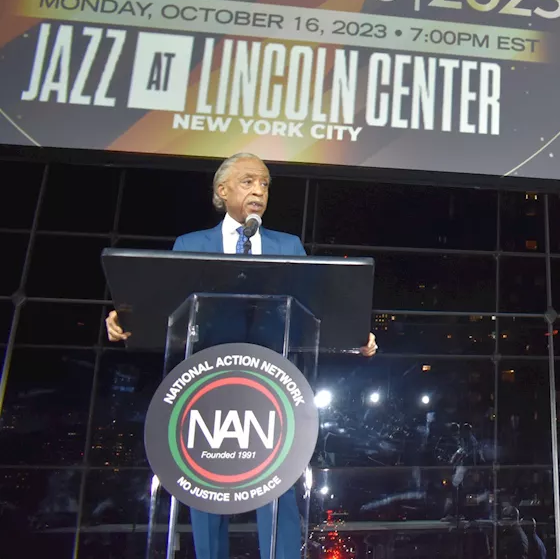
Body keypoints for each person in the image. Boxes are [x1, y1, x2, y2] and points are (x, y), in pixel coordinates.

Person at [105, 152, 377, 559]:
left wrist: (352, 334)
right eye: (249, 181)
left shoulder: (289, 246)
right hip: (207, 390)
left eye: (265, 184)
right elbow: (163, 308)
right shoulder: (190, 245)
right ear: (222, 190)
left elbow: (314, 309)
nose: (259, 191)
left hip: (271, 390)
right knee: (205, 491)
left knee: (277, 491)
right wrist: (126, 318)